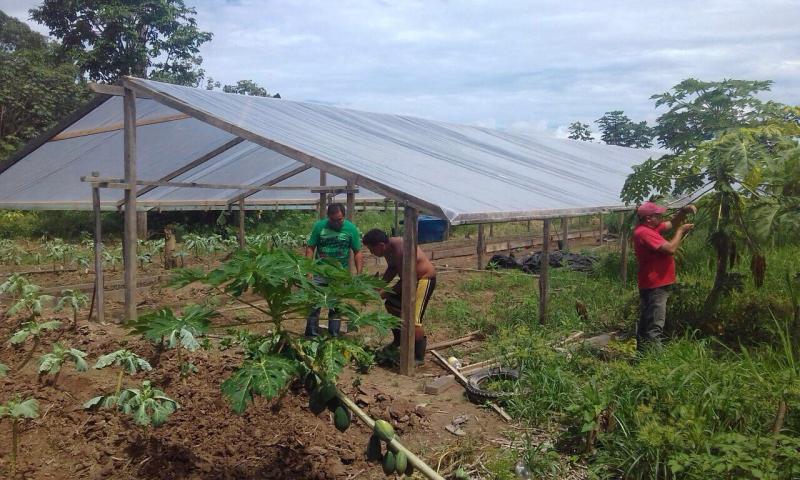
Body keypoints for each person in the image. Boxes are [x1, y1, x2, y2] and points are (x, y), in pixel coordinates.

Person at [361, 228, 436, 365]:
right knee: (391, 304)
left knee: (414, 319)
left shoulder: (402, 249)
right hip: (410, 280)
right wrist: (379, 285)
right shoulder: (388, 249)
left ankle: (418, 357)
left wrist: (386, 292)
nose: (372, 253)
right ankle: (399, 339)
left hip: (423, 280)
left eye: (372, 250)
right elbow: (392, 269)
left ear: (381, 245)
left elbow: (408, 280)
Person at [632, 201, 697, 351]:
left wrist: (684, 211)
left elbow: (671, 223)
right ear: (648, 218)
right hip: (656, 285)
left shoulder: (651, 228)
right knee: (655, 325)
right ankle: (656, 363)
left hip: (653, 283)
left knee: (646, 323)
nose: (661, 217)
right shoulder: (644, 233)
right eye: (658, 215)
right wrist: (681, 231)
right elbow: (670, 249)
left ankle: (641, 358)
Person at [304, 203, 364, 337]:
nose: (336, 223)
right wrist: (308, 270)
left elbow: (358, 252)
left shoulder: (351, 229)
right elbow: (310, 248)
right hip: (320, 272)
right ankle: (311, 335)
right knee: (315, 303)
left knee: (335, 306)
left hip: (339, 274)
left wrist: (359, 274)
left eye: (339, 220)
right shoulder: (319, 226)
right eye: (333, 220)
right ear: (328, 217)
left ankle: (334, 335)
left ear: (344, 216)